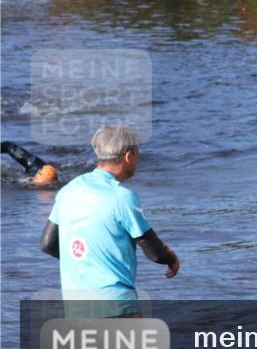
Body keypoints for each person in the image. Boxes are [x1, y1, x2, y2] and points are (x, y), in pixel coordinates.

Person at [40, 125, 180, 317]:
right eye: (137, 154)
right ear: (129, 155)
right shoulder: (122, 197)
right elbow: (155, 253)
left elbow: (48, 244)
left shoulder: (68, 190)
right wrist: (172, 259)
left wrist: (87, 262)